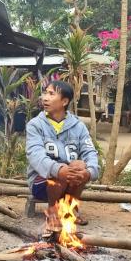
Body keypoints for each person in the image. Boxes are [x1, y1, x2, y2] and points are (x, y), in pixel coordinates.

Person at [26, 81, 99, 230]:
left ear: (64, 101)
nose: (45, 98)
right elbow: (35, 154)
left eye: (51, 94)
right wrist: (58, 169)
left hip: (70, 179)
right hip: (42, 183)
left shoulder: (78, 126)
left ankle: (71, 209)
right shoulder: (35, 125)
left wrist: (88, 171)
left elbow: (90, 152)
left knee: (78, 166)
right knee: (59, 171)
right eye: (45, 93)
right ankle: (53, 210)